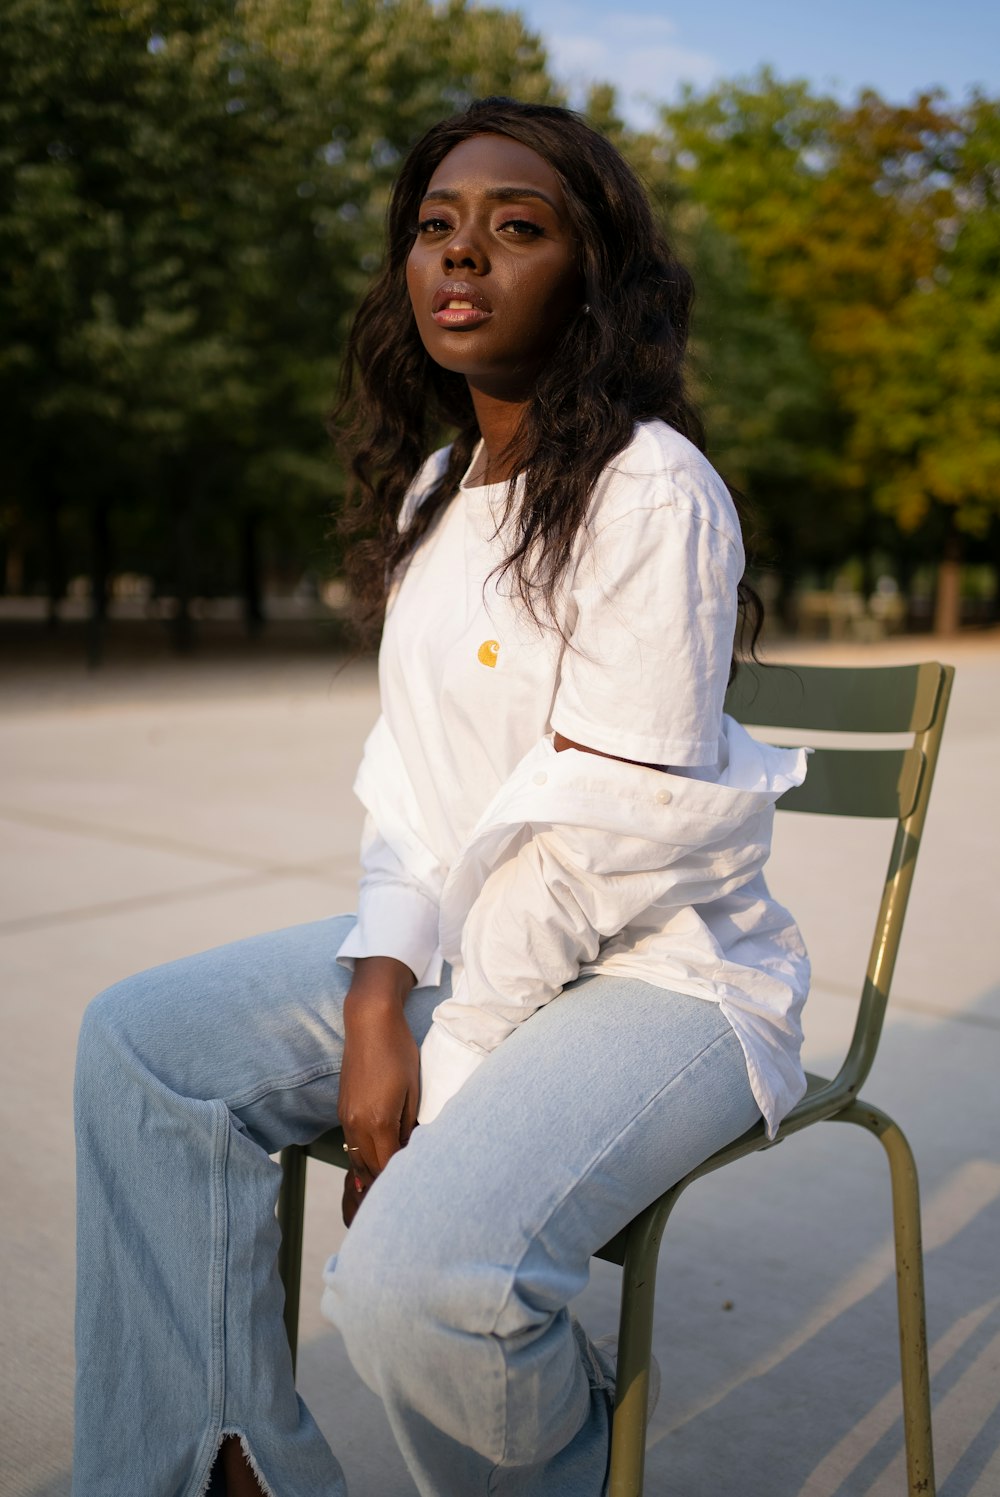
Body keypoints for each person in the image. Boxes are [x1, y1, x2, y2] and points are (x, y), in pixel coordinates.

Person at [72, 98, 810, 1497]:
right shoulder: (436, 489)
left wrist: (436, 1099)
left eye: (515, 229)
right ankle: (218, 1469)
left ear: (592, 279)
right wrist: (371, 997)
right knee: (144, 1045)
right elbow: (413, 777)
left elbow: (605, 852)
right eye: (434, 228)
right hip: (479, 949)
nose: (460, 257)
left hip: (668, 976)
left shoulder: (651, 490)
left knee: (416, 1285)